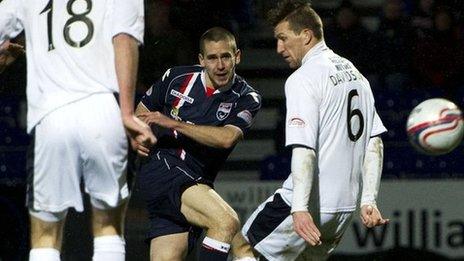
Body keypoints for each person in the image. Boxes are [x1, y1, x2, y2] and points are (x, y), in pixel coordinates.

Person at [233, 1, 389, 260]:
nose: (279, 48)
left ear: (306, 35)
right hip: (342, 211)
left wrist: (299, 208)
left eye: (283, 38)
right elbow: (375, 142)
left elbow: (305, 149)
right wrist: (368, 200)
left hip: (307, 205)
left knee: (241, 247)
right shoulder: (356, 74)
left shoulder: (303, 78)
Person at [0, 0, 155, 260]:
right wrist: (127, 112)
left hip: (51, 117)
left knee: (45, 235)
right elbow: (124, 40)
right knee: (109, 228)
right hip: (103, 111)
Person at [135, 26, 262, 261]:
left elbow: (227, 138)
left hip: (197, 181)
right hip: (163, 169)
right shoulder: (176, 77)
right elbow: (141, 114)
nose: (220, 65)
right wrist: (138, 137)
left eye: (226, 56)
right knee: (226, 221)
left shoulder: (247, 97)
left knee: (240, 246)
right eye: (212, 58)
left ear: (237, 56)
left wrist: (174, 123)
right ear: (201, 60)